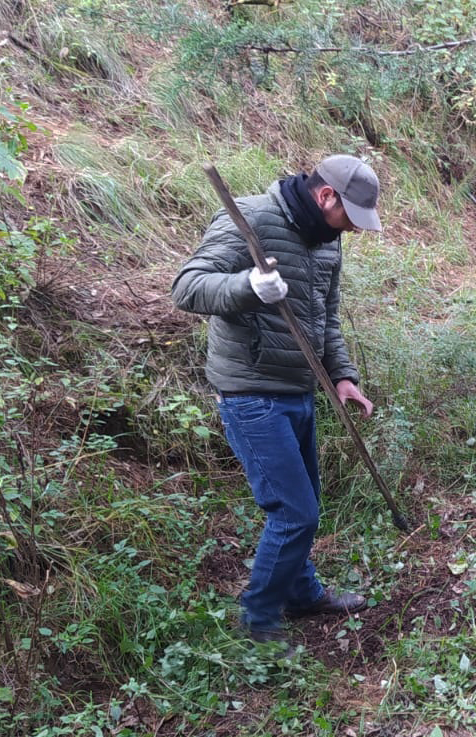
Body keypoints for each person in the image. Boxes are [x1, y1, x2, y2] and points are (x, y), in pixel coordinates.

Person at [171, 154, 380, 644]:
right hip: (251, 393)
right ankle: (257, 620)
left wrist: (342, 376)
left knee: (305, 504)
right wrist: (248, 286)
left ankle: (303, 595)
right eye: (349, 217)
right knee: (295, 512)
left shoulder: (327, 244)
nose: (350, 229)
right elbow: (187, 287)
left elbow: (325, 318)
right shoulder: (250, 219)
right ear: (326, 196)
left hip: (300, 389)